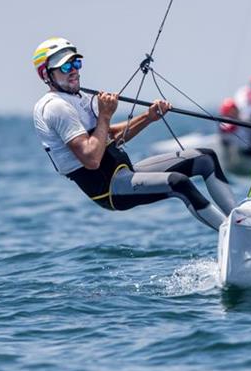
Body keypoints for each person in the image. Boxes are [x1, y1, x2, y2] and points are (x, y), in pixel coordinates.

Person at [32, 37, 236, 230]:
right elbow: (91, 159)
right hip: (109, 188)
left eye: (76, 64)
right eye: (66, 67)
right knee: (178, 182)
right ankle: (232, 235)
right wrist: (104, 115)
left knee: (205, 158)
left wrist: (148, 117)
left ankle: (239, 222)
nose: (74, 71)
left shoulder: (79, 97)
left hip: (125, 171)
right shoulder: (55, 107)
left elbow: (108, 136)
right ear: (46, 75)